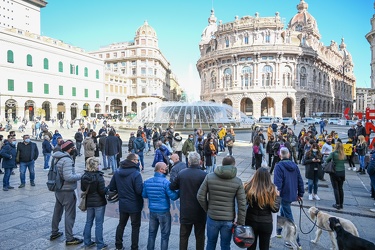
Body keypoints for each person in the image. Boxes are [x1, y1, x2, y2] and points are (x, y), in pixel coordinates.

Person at [197, 156, 246, 250]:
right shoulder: (237, 181)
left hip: (212, 216)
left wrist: (207, 208)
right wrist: (240, 222)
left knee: (210, 243)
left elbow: (200, 196)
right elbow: (242, 203)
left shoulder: (209, 177)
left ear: (222, 164)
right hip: (228, 219)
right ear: (233, 165)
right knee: (226, 245)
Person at [170, 152, 207, 250]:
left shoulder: (182, 173)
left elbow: (172, 186)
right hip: (200, 211)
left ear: (189, 162)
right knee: (200, 236)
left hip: (186, 210)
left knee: (184, 235)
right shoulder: (204, 175)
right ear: (199, 162)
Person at [108, 153, 143, 250]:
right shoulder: (136, 174)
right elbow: (139, 190)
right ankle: (134, 247)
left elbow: (112, 187)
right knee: (135, 227)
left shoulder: (118, 171)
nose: (138, 161)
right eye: (137, 160)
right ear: (133, 161)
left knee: (121, 224)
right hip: (135, 205)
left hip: (123, 204)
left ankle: (118, 246)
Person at [50, 140, 83, 245]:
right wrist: (81, 176)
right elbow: (68, 177)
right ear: (69, 149)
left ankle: (54, 232)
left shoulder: (56, 157)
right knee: (70, 213)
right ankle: (69, 238)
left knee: (57, 211)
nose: (74, 149)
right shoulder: (67, 160)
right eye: (73, 148)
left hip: (58, 188)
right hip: (67, 190)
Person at [142, 162, 179, 250]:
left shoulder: (147, 181)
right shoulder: (166, 182)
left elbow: (144, 195)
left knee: (151, 234)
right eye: (165, 168)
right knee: (165, 236)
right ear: (161, 170)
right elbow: (173, 197)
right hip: (164, 211)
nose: (167, 169)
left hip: (152, 211)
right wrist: (180, 190)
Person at [274, 147, 304, 249]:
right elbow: (300, 180)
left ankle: (296, 240)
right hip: (292, 194)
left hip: (283, 194)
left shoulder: (279, 166)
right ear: (289, 155)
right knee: (284, 210)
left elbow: (277, 183)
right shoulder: (295, 166)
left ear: (280, 155)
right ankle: (278, 230)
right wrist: (300, 193)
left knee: (289, 218)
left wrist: (276, 195)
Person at [244, 167, 281, 250]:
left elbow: (244, 203)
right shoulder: (272, 189)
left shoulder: (248, 187)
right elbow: (275, 209)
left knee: (250, 247)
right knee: (264, 247)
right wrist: (278, 197)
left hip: (251, 221)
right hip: (266, 223)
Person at [81, 157, 107, 249]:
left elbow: (83, 189)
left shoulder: (84, 176)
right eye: (99, 164)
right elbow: (102, 191)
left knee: (88, 222)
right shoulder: (99, 177)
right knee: (99, 224)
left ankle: (87, 241)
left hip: (89, 202)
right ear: (96, 166)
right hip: (99, 203)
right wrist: (107, 189)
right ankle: (100, 244)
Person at [325, 142, 346, 210]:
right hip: (342, 172)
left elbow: (327, 160)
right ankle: (341, 204)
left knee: (335, 188)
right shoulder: (343, 154)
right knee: (341, 188)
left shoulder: (333, 154)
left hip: (335, 172)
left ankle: (337, 203)